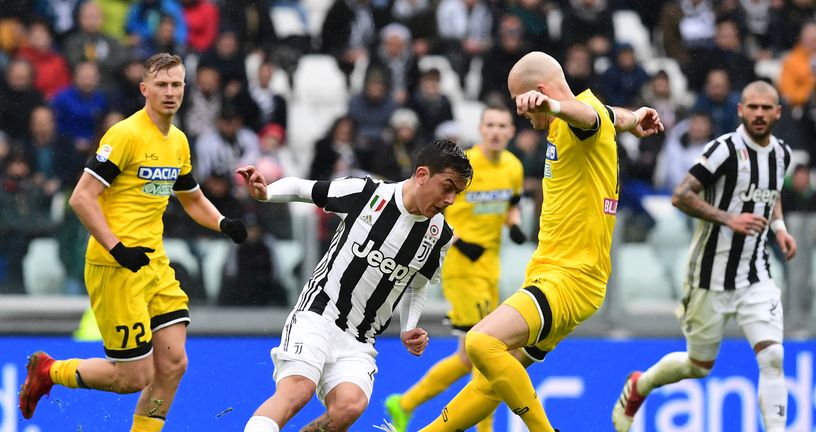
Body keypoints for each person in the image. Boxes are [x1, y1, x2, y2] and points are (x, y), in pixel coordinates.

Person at [411, 51, 664, 432]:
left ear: (541, 92)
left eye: (524, 106)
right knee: (489, 381)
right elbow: (611, 116)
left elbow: (588, 118)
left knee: (480, 343)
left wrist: (551, 105)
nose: (525, 116)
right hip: (561, 275)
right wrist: (634, 118)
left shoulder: (576, 120)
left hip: (568, 278)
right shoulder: (594, 115)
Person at [17, 53, 248, 432]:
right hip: (115, 265)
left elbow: (190, 197)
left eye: (176, 85)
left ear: (185, 89)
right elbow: (81, 198)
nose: (170, 92)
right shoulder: (124, 134)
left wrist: (224, 223)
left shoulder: (178, 141)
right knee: (133, 378)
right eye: (161, 85)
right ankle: (48, 369)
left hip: (152, 263)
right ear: (145, 89)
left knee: (174, 363)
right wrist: (116, 247)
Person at [238, 138, 473, 432]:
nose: (450, 199)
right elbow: (303, 189)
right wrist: (266, 193)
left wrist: (408, 326)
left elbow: (417, 284)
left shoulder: (439, 236)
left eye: (457, 193)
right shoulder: (366, 193)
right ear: (422, 174)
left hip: (361, 338)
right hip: (319, 312)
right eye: (447, 187)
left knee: (349, 407)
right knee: (298, 391)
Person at [612, 81, 795, 432]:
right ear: (740, 110)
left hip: (756, 273)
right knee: (697, 366)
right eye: (752, 107)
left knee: (773, 356)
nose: (759, 114)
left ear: (777, 113)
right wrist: (729, 218)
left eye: (766, 108)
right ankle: (640, 386)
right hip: (708, 275)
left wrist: (781, 227)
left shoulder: (781, 153)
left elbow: (771, 193)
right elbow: (680, 196)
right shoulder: (723, 150)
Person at [385, 103, 525, 432]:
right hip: (461, 266)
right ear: (480, 129)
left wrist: (514, 224)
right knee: (489, 352)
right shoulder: (465, 167)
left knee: (466, 356)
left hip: (491, 267)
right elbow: (439, 207)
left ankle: (403, 404)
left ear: (511, 132)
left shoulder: (513, 167)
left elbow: (512, 205)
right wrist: (461, 242)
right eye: (489, 125)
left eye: (502, 126)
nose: (495, 131)